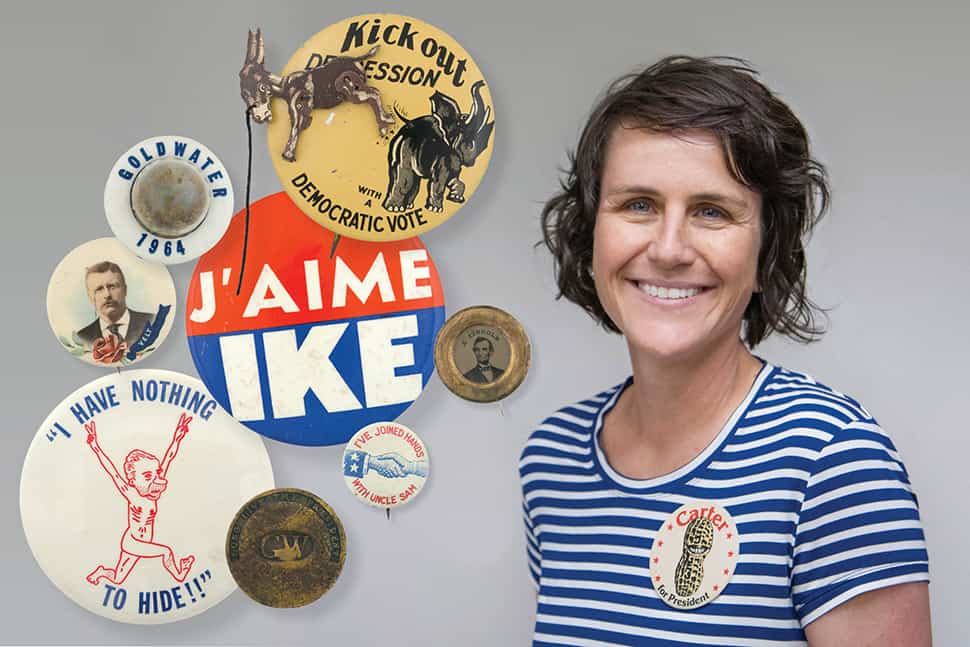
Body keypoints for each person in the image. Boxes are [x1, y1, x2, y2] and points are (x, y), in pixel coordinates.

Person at [520, 56, 930, 646]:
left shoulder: (832, 459)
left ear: (766, 257)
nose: (667, 248)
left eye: (712, 211)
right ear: (590, 238)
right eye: (638, 204)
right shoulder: (551, 462)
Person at [84, 414, 195, 585]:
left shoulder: (154, 487)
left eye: (156, 473)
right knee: (165, 552)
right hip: (133, 541)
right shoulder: (132, 494)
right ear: (133, 481)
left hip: (141, 541)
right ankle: (179, 574)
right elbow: (112, 472)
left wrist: (177, 438)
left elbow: (169, 458)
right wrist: (95, 447)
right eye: (147, 476)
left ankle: (101, 572)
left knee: (118, 578)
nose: (157, 478)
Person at [74, 261, 151, 348]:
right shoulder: (82, 338)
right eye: (99, 289)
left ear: (125, 290)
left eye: (112, 286)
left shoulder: (152, 323)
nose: (107, 295)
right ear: (90, 297)